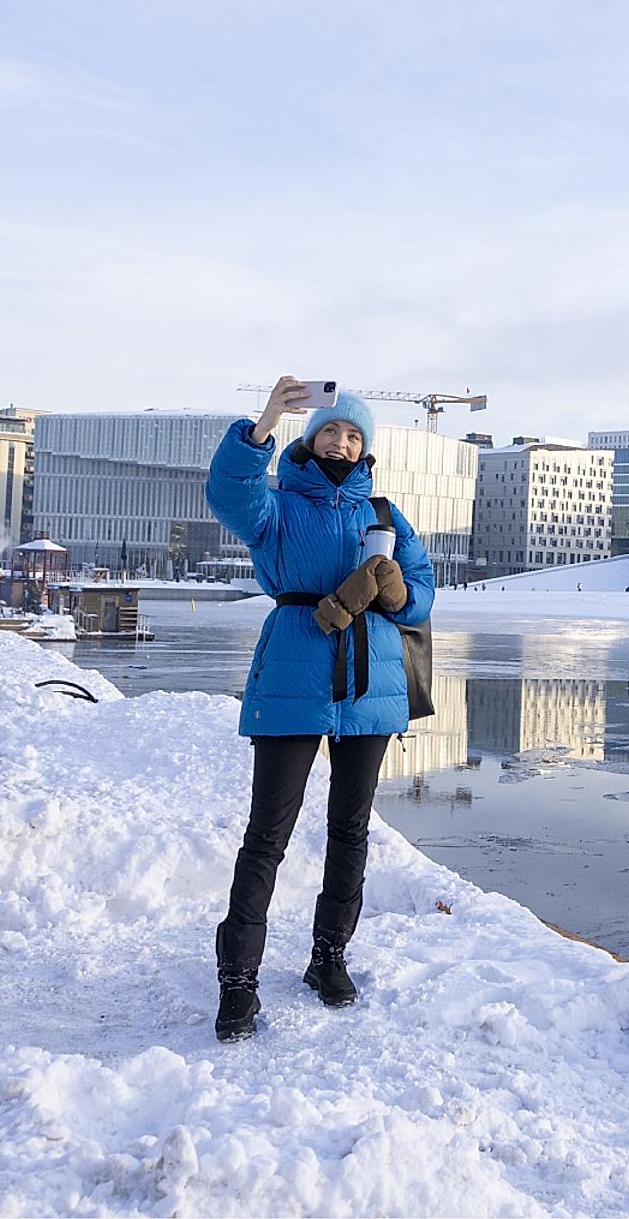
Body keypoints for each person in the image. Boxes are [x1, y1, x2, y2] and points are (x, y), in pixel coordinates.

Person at [203, 377, 436, 1043]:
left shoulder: (384, 515)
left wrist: (395, 591)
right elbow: (227, 494)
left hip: (370, 683)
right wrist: (266, 419)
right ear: (309, 438)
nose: (341, 441)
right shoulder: (275, 505)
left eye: (353, 434)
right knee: (267, 835)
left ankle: (329, 956)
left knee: (350, 830)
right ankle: (238, 979)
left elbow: (422, 593)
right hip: (295, 672)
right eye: (331, 430)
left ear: (365, 449)